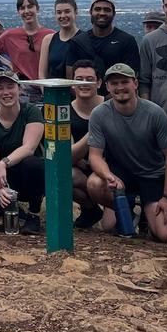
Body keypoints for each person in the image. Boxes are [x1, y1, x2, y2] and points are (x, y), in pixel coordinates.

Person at [85, 63, 167, 241]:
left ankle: (148, 212)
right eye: (114, 83)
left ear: (135, 83)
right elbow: (95, 156)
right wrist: (108, 176)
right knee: (95, 184)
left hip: (153, 175)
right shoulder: (99, 114)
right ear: (107, 87)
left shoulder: (155, 113)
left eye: (124, 82)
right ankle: (127, 210)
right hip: (121, 174)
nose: (120, 87)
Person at [0, 70, 45, 235]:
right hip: (6, 175)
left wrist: (4, 162)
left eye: (10, 87)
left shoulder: (31, 111)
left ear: (19, 89)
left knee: (33, 164)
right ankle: (15, 212)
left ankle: (34, 213)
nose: (6, 92)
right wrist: (0, 188)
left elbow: (29, 147)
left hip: (27, 171)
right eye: (0, 88)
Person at [63, 0, 140, 90]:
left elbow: (131, 78)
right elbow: (71, 82)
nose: (102, 13)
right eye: (98, 9)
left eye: (107, 10)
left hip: (117, 100)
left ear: (114, 14)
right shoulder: (78, 42)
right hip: (84, 100)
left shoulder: (127, 41)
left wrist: (108, 102)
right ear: (91, 12)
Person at [68, 61, 105, 228]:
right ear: (72, 82)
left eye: (89, 79)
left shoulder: (110, 105)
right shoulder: (65, 110)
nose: (83, 83)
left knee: (110, 225)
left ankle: (120, 208)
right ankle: (91, 209)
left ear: (98, 82)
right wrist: (94, 130)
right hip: (79, 168)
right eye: (79, 79)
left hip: (108, 169)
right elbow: (65, 157)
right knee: (65, 174)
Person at [0, 0, 55, 81]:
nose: (26, 11)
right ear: (18, 11)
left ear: (37, 8)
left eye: (30, 7)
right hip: (22, 89)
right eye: (22, 8)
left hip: (46, 85)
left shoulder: (50, 35)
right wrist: (7, 64)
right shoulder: (9, 36)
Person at [38, 0, 79, 80]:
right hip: (52, 91)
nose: (63, 16)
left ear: (76, 12)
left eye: (67, 11)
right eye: (59, 12)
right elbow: (42, 74)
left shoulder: (84, 39)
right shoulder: (48, 40)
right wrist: (46, 92)